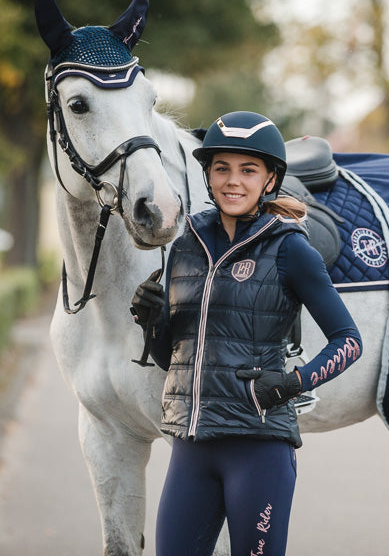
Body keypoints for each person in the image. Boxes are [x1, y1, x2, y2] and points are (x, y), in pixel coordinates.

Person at [130, 111, 363, 556]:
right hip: (191, 447)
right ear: (208, 174)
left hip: (258, 450)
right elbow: (172, 358)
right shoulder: (184, 245)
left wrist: (294, 383)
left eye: (248, 170)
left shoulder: (291, 248)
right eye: (222, 168)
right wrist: (151, 322)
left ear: (270, 180)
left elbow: (349, 341)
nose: (232, 181)